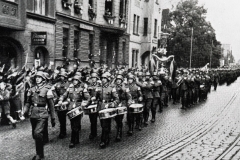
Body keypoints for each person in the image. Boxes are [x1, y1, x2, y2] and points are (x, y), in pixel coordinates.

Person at [25, 71, 55, 160]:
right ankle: (41, 153)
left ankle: (38, 154)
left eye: (39, 77)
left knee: (37, 133)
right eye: (36, 77)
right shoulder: (32, 89)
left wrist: (53, 118)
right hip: (33, 114)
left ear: (43, 79)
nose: (37, 78)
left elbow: (51, 105)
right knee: (35, 135)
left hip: (42, 114)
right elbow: (28, 102)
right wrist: (25, 110)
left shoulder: (47, 89)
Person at [59, 74, 90, 148]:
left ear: (79, 81)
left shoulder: (82, 89)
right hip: (70, 107)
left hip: (78, 107)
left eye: (76, 80)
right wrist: (61, 99)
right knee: (73, 124)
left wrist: (84, 103)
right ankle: (77, 138)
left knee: (75, 125)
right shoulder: (70, 87)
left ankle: (72, 141)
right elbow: (64, 95)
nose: (74, 81)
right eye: (74, 80)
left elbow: (88, 98)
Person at [96, 72, 119, 148]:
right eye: (102, 78)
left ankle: (103, 141)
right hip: (100, 107)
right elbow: (96, 98)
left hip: (108, 108)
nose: (103, 80)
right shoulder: (99, 87)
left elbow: (117, 99)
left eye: (104, 78)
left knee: (106, 125)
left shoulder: (111, 88)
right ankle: (107, 137)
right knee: (103, 124)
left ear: (108, 79)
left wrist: (110, 104)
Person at [114, 73, 131, 141]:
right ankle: (118, 128)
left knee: (119, 119)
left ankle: (119, 133)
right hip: (115, 104)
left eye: (119, 80)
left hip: (123, 103)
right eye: (117, 79)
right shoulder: (113, 87)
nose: (118, 81)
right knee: (116, 119)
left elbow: (129, 97)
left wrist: (129, 102)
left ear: (122, 81)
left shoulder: (125, 88)